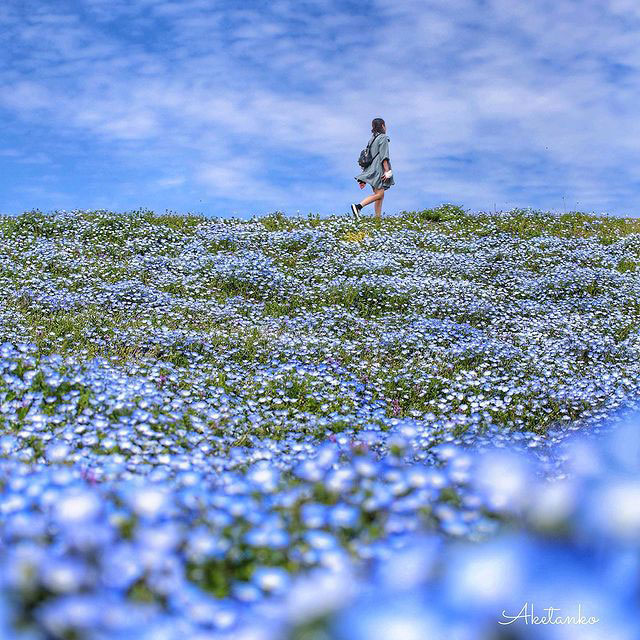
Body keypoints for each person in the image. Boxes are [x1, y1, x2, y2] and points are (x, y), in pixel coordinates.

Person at [351, 117, 394, 220]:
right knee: (380, 194)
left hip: (371, 170)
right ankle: (358, 207)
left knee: (380, 195)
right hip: (378, 170)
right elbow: (384, 157)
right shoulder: (383, 138)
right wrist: (387, 171)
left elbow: (368, 158)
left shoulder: (371, 140)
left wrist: (364, 177)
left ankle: (377, 219)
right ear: (383, 126)